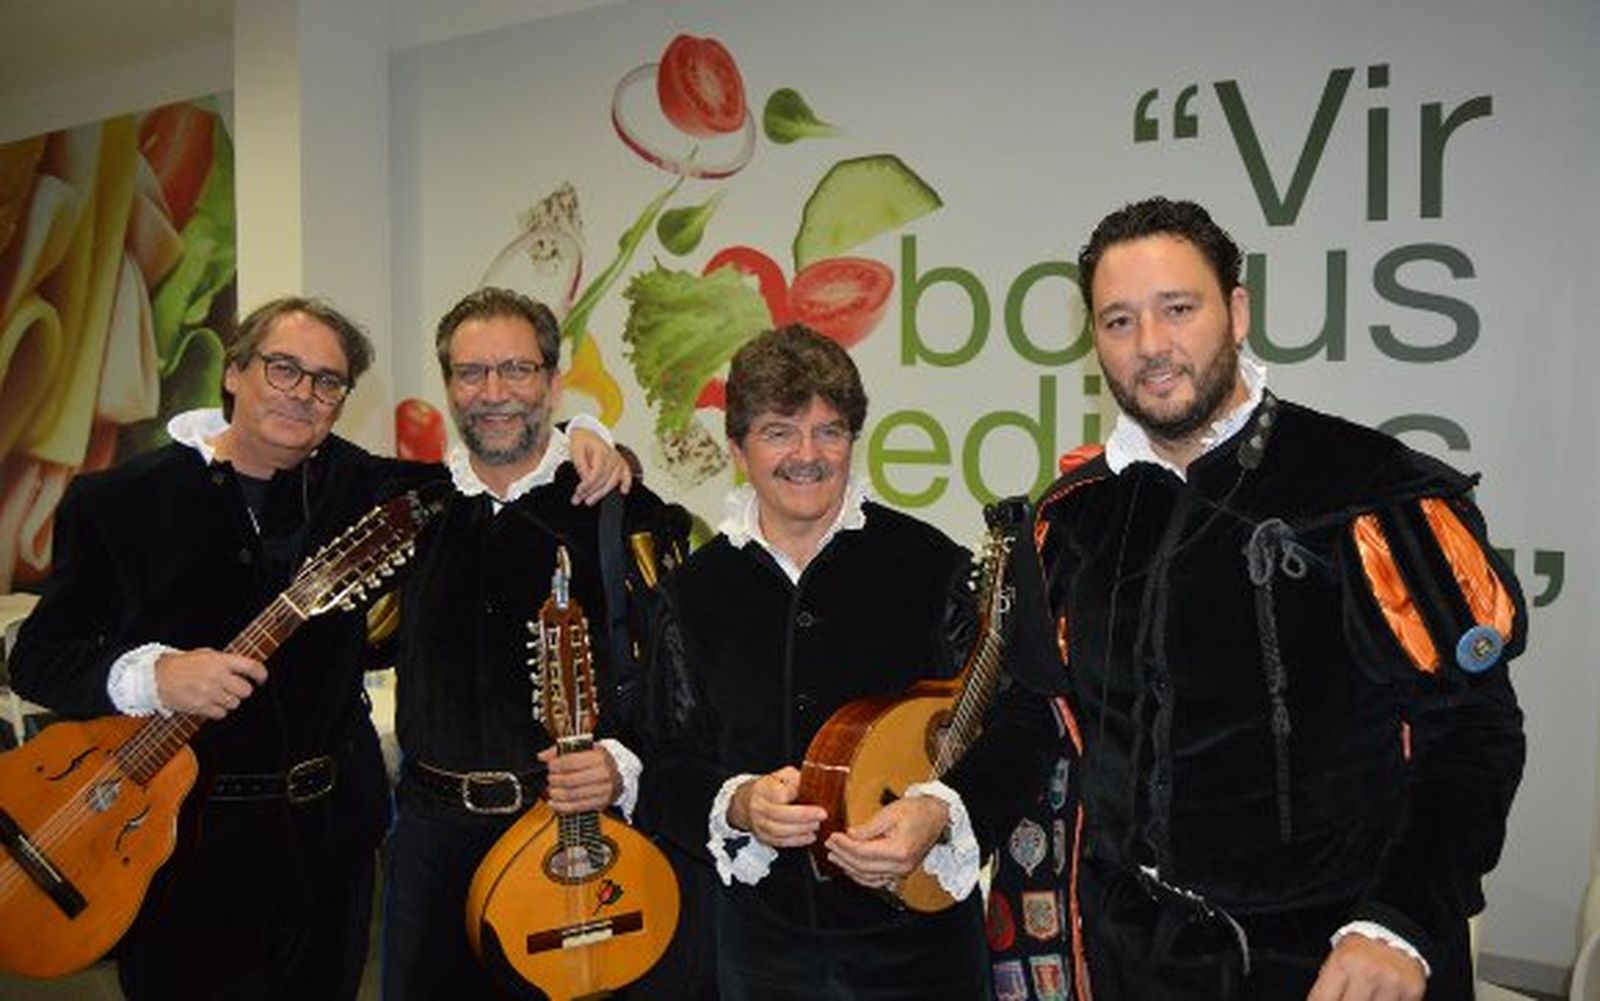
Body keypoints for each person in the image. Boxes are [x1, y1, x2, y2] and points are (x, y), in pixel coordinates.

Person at [8, 295, 625, 1001]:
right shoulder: (118, 500)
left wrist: (587, 431)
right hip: (179, 849)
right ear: (235, 372)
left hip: (330, 845)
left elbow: (499, 462)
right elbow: (40, 657)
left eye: (327, 382)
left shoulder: (362, 487)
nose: (303, 394)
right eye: (283, 369)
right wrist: (157, 675)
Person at [1023, 196, 1527, 999]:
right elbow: (1041, 723)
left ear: (1237, 309)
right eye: (1118, 321)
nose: (1150, 345)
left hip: (1330, 961)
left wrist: (1397, 919)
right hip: (1131, 961)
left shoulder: (1371, 490)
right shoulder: (1074, 516)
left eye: (1177, 309)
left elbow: (1474, 735)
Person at [640, 324, 1059, 1000]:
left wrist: (942, 811)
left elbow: (1024, 720)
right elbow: (662, 759)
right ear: (737, 448)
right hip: (762, 951)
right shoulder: (693, 592)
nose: (807, 455)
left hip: (922, 951)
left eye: (829, 431)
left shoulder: (928, 564)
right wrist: (740, 805)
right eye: (780, 431)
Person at [378, 287, 688, 1001]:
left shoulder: (626, 513)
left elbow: (684, 685)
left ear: (552, 381)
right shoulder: (411, 509)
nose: (494, 394)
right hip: (430, 850)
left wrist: (622, 760)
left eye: (516, 370)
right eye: (471, 373)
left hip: (572, 847)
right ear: (449, 384)